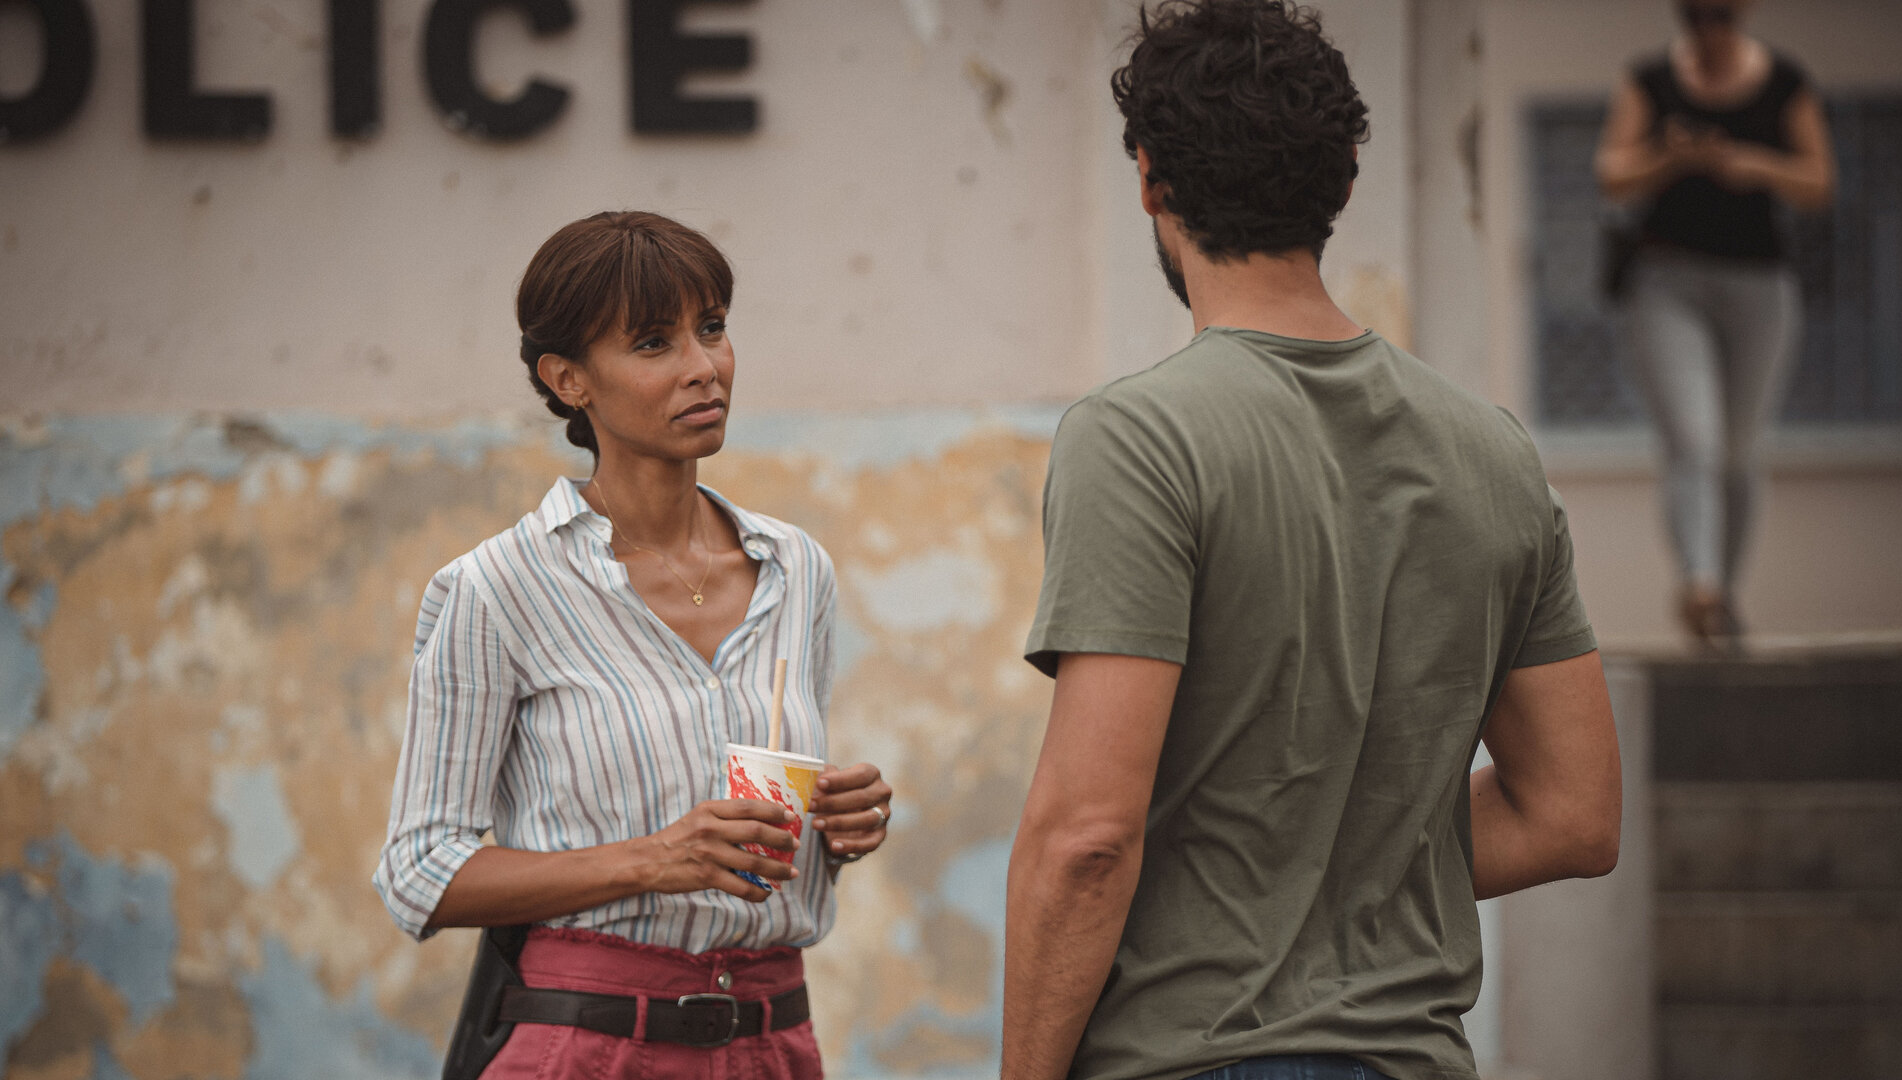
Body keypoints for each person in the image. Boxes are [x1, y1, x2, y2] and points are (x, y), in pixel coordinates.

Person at [1002, 4, 1622, 1080]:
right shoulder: (1493, 452)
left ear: (1150, 179)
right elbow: (1574, 815)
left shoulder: (1140, 437)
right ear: (1339, 186)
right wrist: (1346, 856)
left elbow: (1087, 838)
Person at [373, 211, 894, 1079]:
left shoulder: (795, 569)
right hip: (590, 1047)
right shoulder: (496, 589)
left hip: (775, 1040)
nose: (704, 367)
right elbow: (421, 871)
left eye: (714, 329)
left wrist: (837, 830)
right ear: (568, 378)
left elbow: (765, 847)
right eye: (654, 343)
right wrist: (657, 858)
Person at [1594, 0, 1833, 649]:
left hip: (1760, 285)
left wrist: (1754, 166)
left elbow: (1818, 181)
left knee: (1739, 454)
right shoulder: (1649, 79)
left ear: (1744, 13)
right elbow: (1611, 172)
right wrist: (1670, 158)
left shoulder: (1785, 80)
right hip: (1668, 281)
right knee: (1694, 442)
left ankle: (1722, 598)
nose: (1708, 29)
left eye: (1719, 15)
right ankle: (1700, 584)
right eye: (1695, 15)